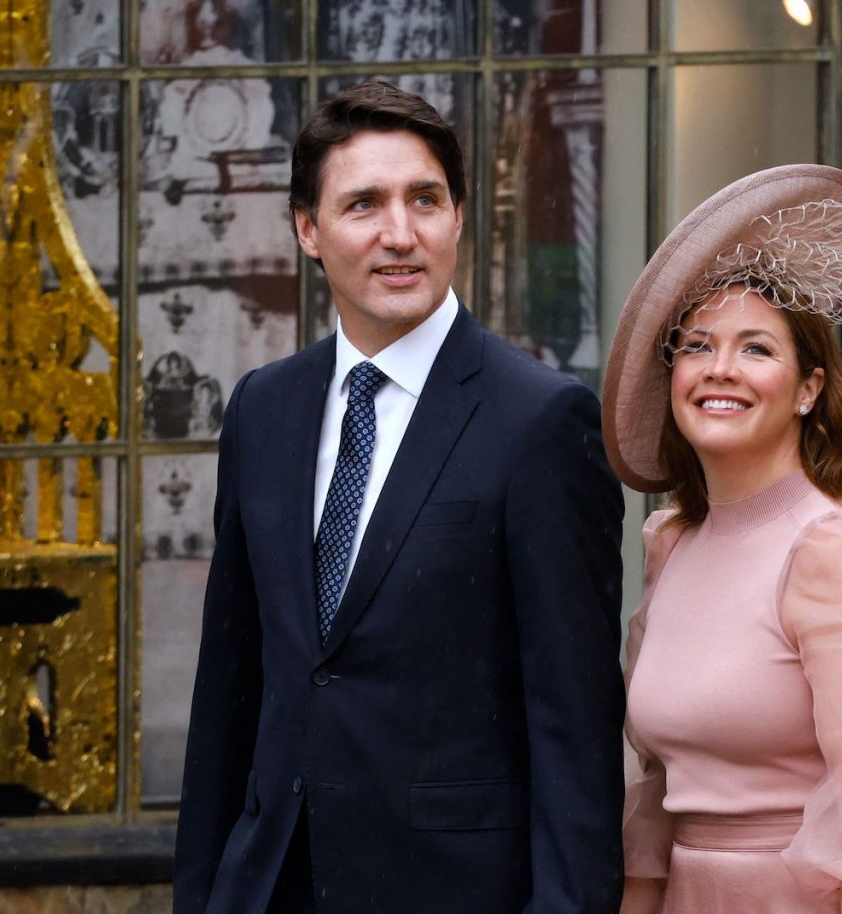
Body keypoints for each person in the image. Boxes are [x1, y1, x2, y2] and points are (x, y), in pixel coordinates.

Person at [174, 79, 626, 914]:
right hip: (269, 884)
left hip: (454, 892)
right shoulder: (262, 410)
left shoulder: (541, 423)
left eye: (425, 199)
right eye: (363, 205)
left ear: (458, 216)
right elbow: (230, 691)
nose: (400, 234)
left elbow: (575, 730)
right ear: (308, 230)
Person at [602, 165, 842, 914]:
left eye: (757, 350)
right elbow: (657, 790)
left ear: (809, 389)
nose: (720, 369)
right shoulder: (671, 542)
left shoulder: (835, 546)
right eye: (697, 346)